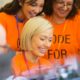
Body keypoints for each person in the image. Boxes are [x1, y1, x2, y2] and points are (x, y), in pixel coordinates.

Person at [43, 0, 80, 65]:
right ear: (52, 2)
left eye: (69, 4)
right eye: (60, 3)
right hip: (45, 72)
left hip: (72, 72)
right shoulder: (40, 21)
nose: (65, 8)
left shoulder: (78, 20)